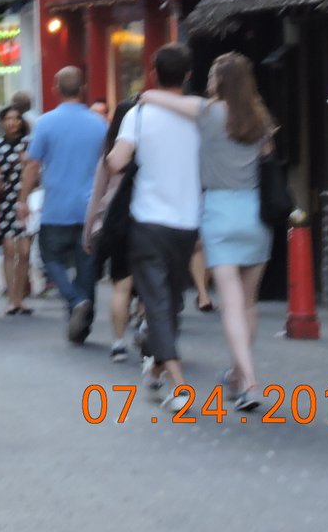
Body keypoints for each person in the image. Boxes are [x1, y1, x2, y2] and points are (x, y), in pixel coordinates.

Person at [134, 53, 274, 412]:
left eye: (213, 74)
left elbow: (160, 98)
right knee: (248, 304)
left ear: (220, 81)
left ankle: (251, 381)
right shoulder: (260, 116)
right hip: (256, 214)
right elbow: (268, 155)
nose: (209, 80)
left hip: (219, 213)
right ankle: (237, 375)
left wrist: (144, 95)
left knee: (230, 306)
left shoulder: (207, 111)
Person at [106, 44, 202, 413]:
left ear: (153, 72)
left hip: (148, 221)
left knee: (157, 302)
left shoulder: (140, 115)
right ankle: (158, 369)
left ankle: (179, 385)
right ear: (189, 76)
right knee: (171, 300)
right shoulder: (199, 114)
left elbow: (117, 162)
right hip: (188, 221)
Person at [17, 67, 108, 344]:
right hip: (88, 207)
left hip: (56, 206)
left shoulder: (46, 123)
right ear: (83, 88)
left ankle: (74, 299)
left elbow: (33, 164)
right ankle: (83, 322)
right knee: (86, 266)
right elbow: (108, 163)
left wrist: (23, 200)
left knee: (50, 258)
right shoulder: (100, 124)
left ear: (56, 87)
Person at [84, 98, 139, 361]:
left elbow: (97, 196)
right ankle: (147, 328)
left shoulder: (110, 154)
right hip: (149, 219)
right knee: (152, 284)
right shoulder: (149, 149)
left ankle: (118, 343)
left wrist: (89, 233)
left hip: (116, 223)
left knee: (121, 286)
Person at [0, 106, 34, 315]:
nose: (12, 123)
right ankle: (12, 299)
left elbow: (37, 171)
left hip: (26, 200)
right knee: (8, 249)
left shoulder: (29, 144)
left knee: (24, 251)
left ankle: (20, 296)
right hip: (5, 201)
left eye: (16, 119)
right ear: (2, 122)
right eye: (7, 119)